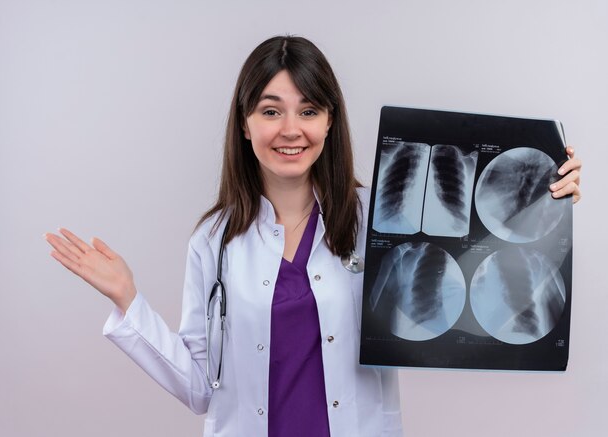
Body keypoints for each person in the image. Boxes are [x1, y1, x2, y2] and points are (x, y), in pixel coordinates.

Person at [44, 35, 582, 437]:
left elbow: (483, 247)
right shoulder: (213, 240)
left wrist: (544, 198)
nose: (290, 130)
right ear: (245, 123)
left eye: (308, 110)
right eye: (270, 111)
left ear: (329, 122)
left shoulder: (380, 220)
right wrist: (128, 299)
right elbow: (197, 390)